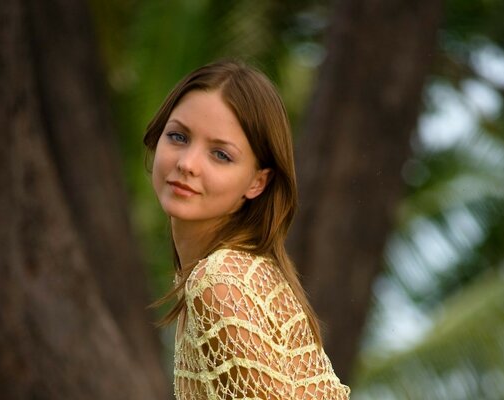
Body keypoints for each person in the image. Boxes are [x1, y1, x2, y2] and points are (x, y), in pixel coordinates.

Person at [145, 60, 350, 399]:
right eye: (178, 136)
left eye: (220, 155)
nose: (187, 164)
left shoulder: (219, 283)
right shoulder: (242, 271)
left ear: (257, 182)